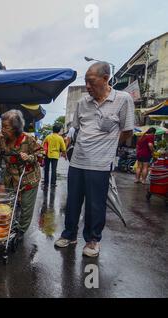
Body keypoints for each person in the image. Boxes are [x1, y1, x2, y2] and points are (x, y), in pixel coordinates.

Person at [54, 62, 134, 257]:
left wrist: (109, 147)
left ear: (105, 79)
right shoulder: (83, 102)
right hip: (77, 161)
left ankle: (92, 240)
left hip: (100, 164)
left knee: (95, 204)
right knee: (73, 201)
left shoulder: (122, 99)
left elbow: (127, 131)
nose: (87, 86)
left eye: (91, 82)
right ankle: (69, 234)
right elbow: (76, 129)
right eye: (86, 82)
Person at [0, 109, 44, 240]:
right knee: (9, 204)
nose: (3, 129)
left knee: (25, 206)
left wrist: (29, 157)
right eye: (2, 126)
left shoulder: (28, 139)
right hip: (10, 178)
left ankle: (21, 231)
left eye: (6, 127)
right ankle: (12, 226)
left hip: (28, 178)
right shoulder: (1, 139)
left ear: (15, 128)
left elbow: (41, 154)